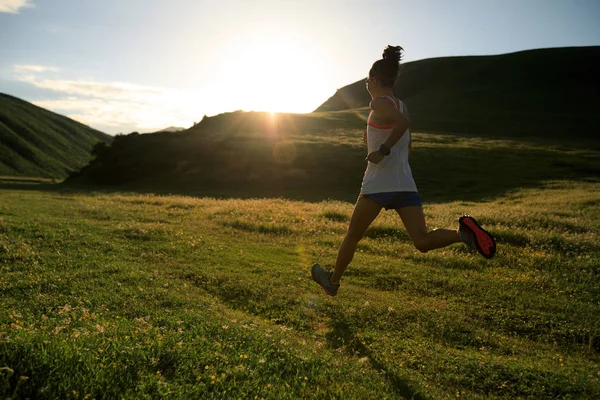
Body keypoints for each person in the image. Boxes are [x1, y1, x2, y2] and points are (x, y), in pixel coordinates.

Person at [311, 45, 496, 296]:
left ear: (375, 79)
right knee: (422, 241)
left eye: (367, 80)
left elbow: (402, 126)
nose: (366, 84)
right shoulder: (400, 105)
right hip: (405, 185)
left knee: (352, 235)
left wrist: (381, 150)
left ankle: (332, 281)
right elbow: (407, 142)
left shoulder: (378, 103)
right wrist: (379, 143)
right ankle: (462, 234)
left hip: (378, 185)